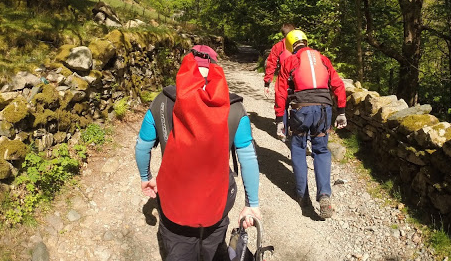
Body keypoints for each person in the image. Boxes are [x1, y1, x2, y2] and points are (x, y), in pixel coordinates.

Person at [135, 45, 261, 261]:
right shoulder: (234, 107)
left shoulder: (162, 101)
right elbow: (248, 158)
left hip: (174, 204)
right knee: (213, 250)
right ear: (214, 68)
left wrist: (146, 178)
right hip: (217, 204)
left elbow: (143, 146)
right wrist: (252, 205)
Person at [274, 30, 347, 219]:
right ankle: (324, 195)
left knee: (298, 148)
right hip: (324, 110)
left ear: (290, 46)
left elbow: (281, 91)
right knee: (321, 151)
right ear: (306, 42)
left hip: (301, 110)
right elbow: (338, 85)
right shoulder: (323, 59)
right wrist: (342, 112)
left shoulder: (289, 61)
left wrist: (279, 119)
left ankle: (302, 195)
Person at [263, 23, 295, 99]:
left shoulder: (278, 46)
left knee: (281, 105)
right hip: (299, 78)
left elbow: (271, 64)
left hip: (283, 79)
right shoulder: (301, 44)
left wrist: (267, 84)